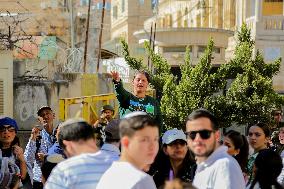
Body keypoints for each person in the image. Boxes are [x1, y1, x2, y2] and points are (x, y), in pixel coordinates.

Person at [44, 118, 117, 189]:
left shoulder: (64, 170)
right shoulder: (119, 162)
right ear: (93, 138)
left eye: (65, 151)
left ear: (68, 145)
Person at [97, 111, 159, 189]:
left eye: (155, 139)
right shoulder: (141, 180)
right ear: (126, 142)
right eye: (144, 140)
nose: (152, 146)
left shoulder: (109, 175)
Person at [185, 108, 245, 189]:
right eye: (192, 134)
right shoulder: (205, 165)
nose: (197, 139)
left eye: (204, 133)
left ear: (217, 136)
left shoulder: (224, 165)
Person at [24, 106, 57, 189]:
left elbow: (67, 157)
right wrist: (32, 138)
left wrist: (46, 158)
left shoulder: (60, 135)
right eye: (42, 115)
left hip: (57, 178)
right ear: (39, 120)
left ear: (53, 115)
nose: (45, 116)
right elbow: (27, 159)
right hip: (39, 180)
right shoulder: (37, 136)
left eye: (48, 113)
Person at [0, 117, 33, 188]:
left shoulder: (17, 152)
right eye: (2, 129)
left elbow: (23, 177)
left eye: (10, 130)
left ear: (15, 133)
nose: (6, 132)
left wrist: (21, 158)